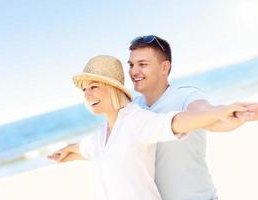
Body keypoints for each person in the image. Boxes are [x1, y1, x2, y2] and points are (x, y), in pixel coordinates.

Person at [48, 55, 257, 200]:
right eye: (84, 90)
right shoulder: (101, 135)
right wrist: (65, 152)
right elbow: (85, 149)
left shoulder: (135, 121)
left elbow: (173, 123)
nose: (87, 94)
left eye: (94, 87)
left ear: (112, 89)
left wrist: (217, 112)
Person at [128, 35, 258, 200]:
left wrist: (226, 113)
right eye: (131, 65)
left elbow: (206, 113)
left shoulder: (185, 95)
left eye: (142, 64)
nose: (133, 71)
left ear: (164, 67)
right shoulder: (132, 109)